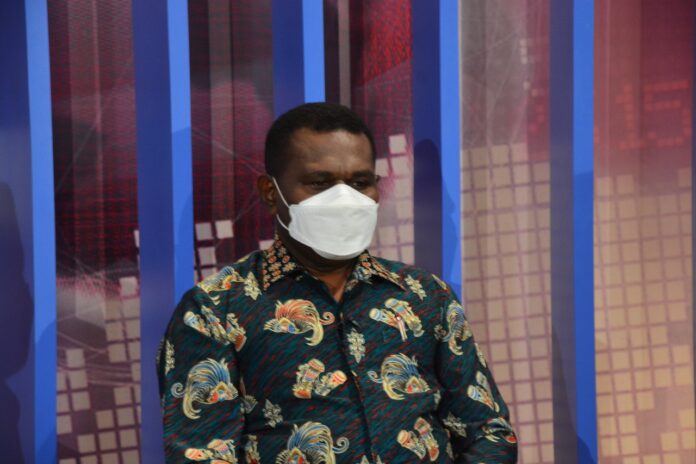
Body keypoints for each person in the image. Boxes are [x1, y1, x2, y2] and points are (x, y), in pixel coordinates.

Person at [157, 102, 517, 463]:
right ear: (270, 192)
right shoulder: (214, 309)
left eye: (360, 183)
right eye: (320, 182)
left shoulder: (424, 295)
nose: (345, 199)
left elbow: (488, 431)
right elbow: (201, 454)